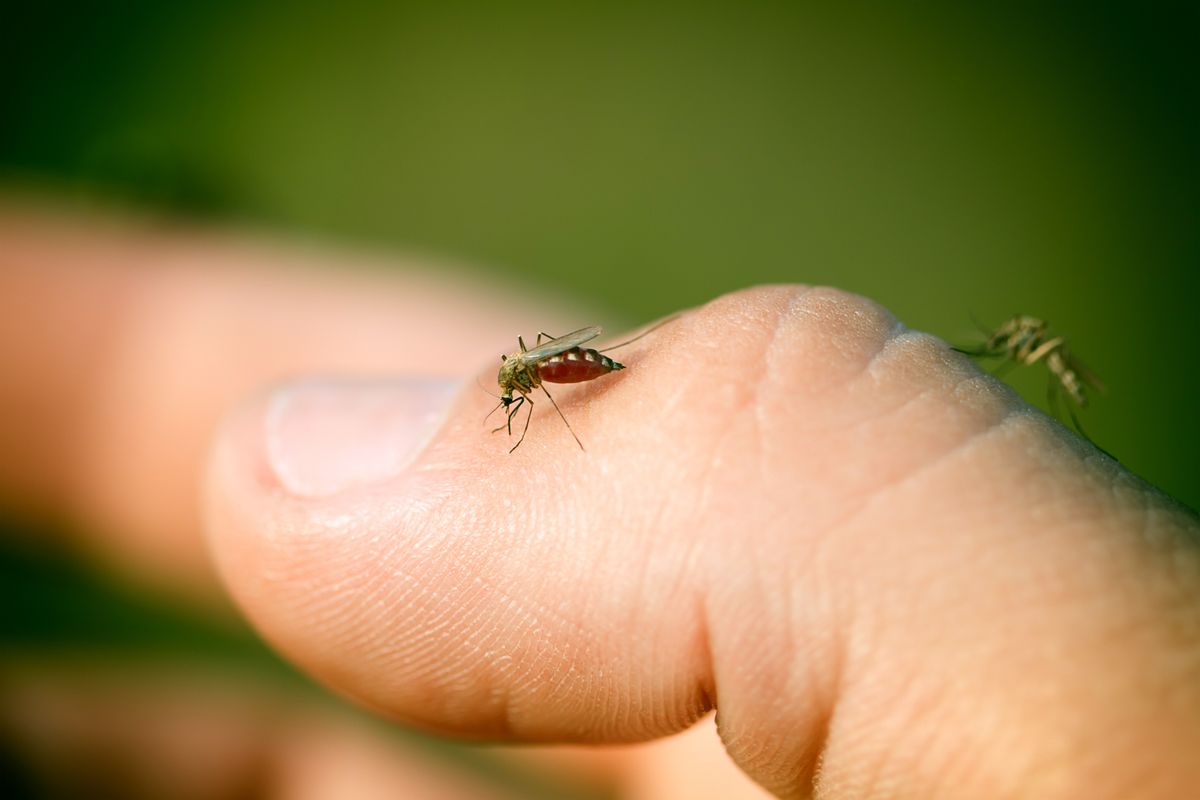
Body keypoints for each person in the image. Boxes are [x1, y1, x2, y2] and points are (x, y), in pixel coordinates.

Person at [3, 209, 1198, 799]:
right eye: (521, 381)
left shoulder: (542, 376)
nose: (520, 381)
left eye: (521, 377)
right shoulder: (523, 376)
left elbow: (546, 371)